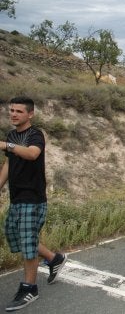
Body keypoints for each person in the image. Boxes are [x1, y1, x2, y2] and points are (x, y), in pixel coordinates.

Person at [0, 97, 67, 312]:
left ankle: (29, 288)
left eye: (19, 111)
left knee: (28, 243)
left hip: (33, 197)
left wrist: (6, 145)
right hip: (16, 196)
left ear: (30, 114)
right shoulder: (12, 135)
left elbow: (32, 153)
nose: (13, 114)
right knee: (17, 236)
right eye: (11, 110)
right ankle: (54, 258)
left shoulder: (35, 134)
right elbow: (9, 163)